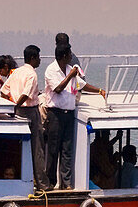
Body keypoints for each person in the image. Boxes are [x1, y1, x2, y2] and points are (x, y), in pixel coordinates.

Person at [43, 43, 106, 190]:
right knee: (53, 150)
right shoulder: (51, 70)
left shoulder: (70, 69)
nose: (72, 56)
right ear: (64, 56)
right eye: (70, 54)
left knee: (67, 149)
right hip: (55, 114)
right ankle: (51, 182)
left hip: (68, 113)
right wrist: (70, 76)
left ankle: (67, 183)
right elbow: (58, 89)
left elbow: (81, 85)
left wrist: (99, 90)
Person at [0, 45, 48, 191]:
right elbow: (27, 94)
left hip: (16, 112)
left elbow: (3, 91)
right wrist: (17, 106)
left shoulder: (16, 72)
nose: (39, 60)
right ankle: (42, 184)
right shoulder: (31, 75)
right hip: (29, 111)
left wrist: (11, 105)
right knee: (37, 148)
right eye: (38, 57)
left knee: (19, 147)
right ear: (33, 58)